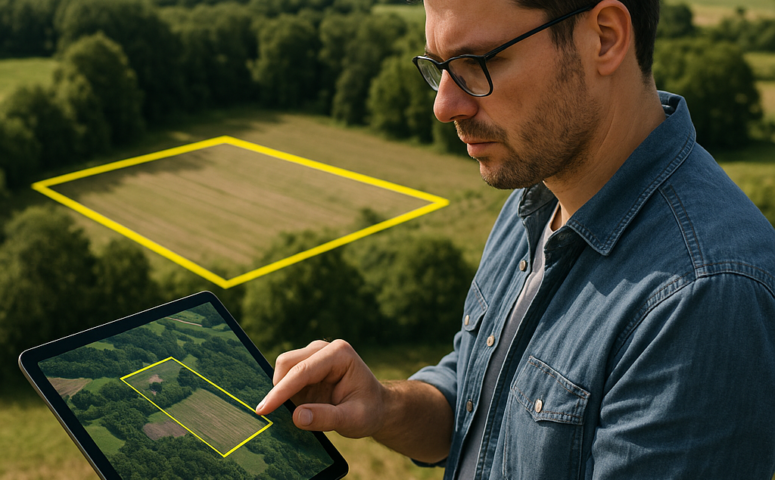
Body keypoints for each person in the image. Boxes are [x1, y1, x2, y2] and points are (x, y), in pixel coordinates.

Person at [256, 0, 775, 477]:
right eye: (439, 69)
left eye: (478, 62)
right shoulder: (536, 197)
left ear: (605, 37)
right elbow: (481, 403)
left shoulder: (704, 296)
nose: (444, 106)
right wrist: (384, 405)